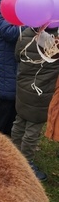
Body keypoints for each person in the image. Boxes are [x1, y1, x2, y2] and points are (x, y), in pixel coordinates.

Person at [0, 0, 37, 136]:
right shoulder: (7, 4)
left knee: (15, 104)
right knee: (5, 104)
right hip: (8, 61)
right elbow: (8, 31)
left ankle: (8, 140)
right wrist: (31, 26)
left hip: (21, 63)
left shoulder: (29, 4)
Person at [11, 27, 59, 182]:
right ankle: (25, 162)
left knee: (19, 121)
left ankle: (13, 152)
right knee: (33, 129)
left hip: (24, 86)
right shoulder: (55, 41)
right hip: (42, 92)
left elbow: (17, 55)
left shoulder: (25, 33)